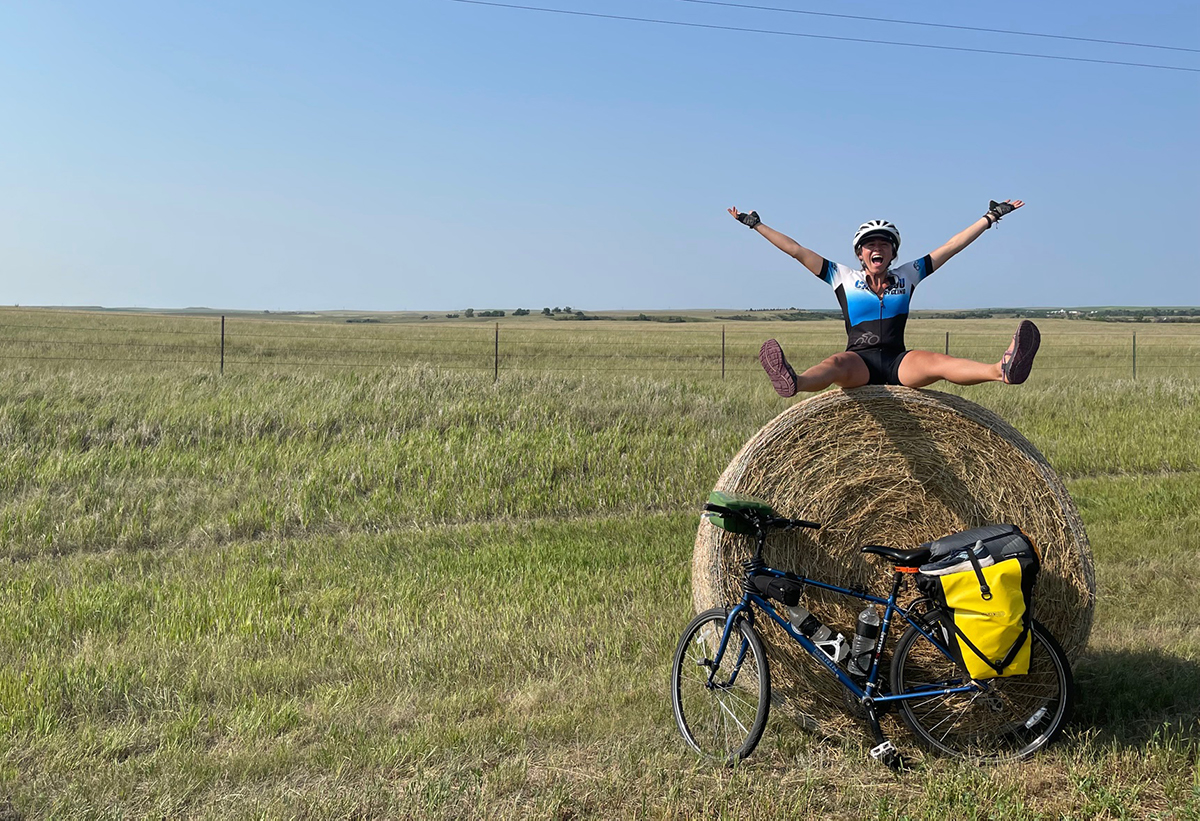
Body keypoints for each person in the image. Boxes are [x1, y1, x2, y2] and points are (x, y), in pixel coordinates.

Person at [727, 201, 1040, 396]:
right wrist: (756, 225)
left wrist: (990, 217)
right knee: (835, 363)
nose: (877, 247)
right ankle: (795, 380)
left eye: (884, 243)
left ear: (893, 252)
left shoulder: (909, 274)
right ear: (860, 253)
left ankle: (1001, 370)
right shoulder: (842, 277)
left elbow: (952, 246)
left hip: (898, 361)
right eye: (870, 244)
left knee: (938, 362)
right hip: (858, 361)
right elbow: (796, 250)